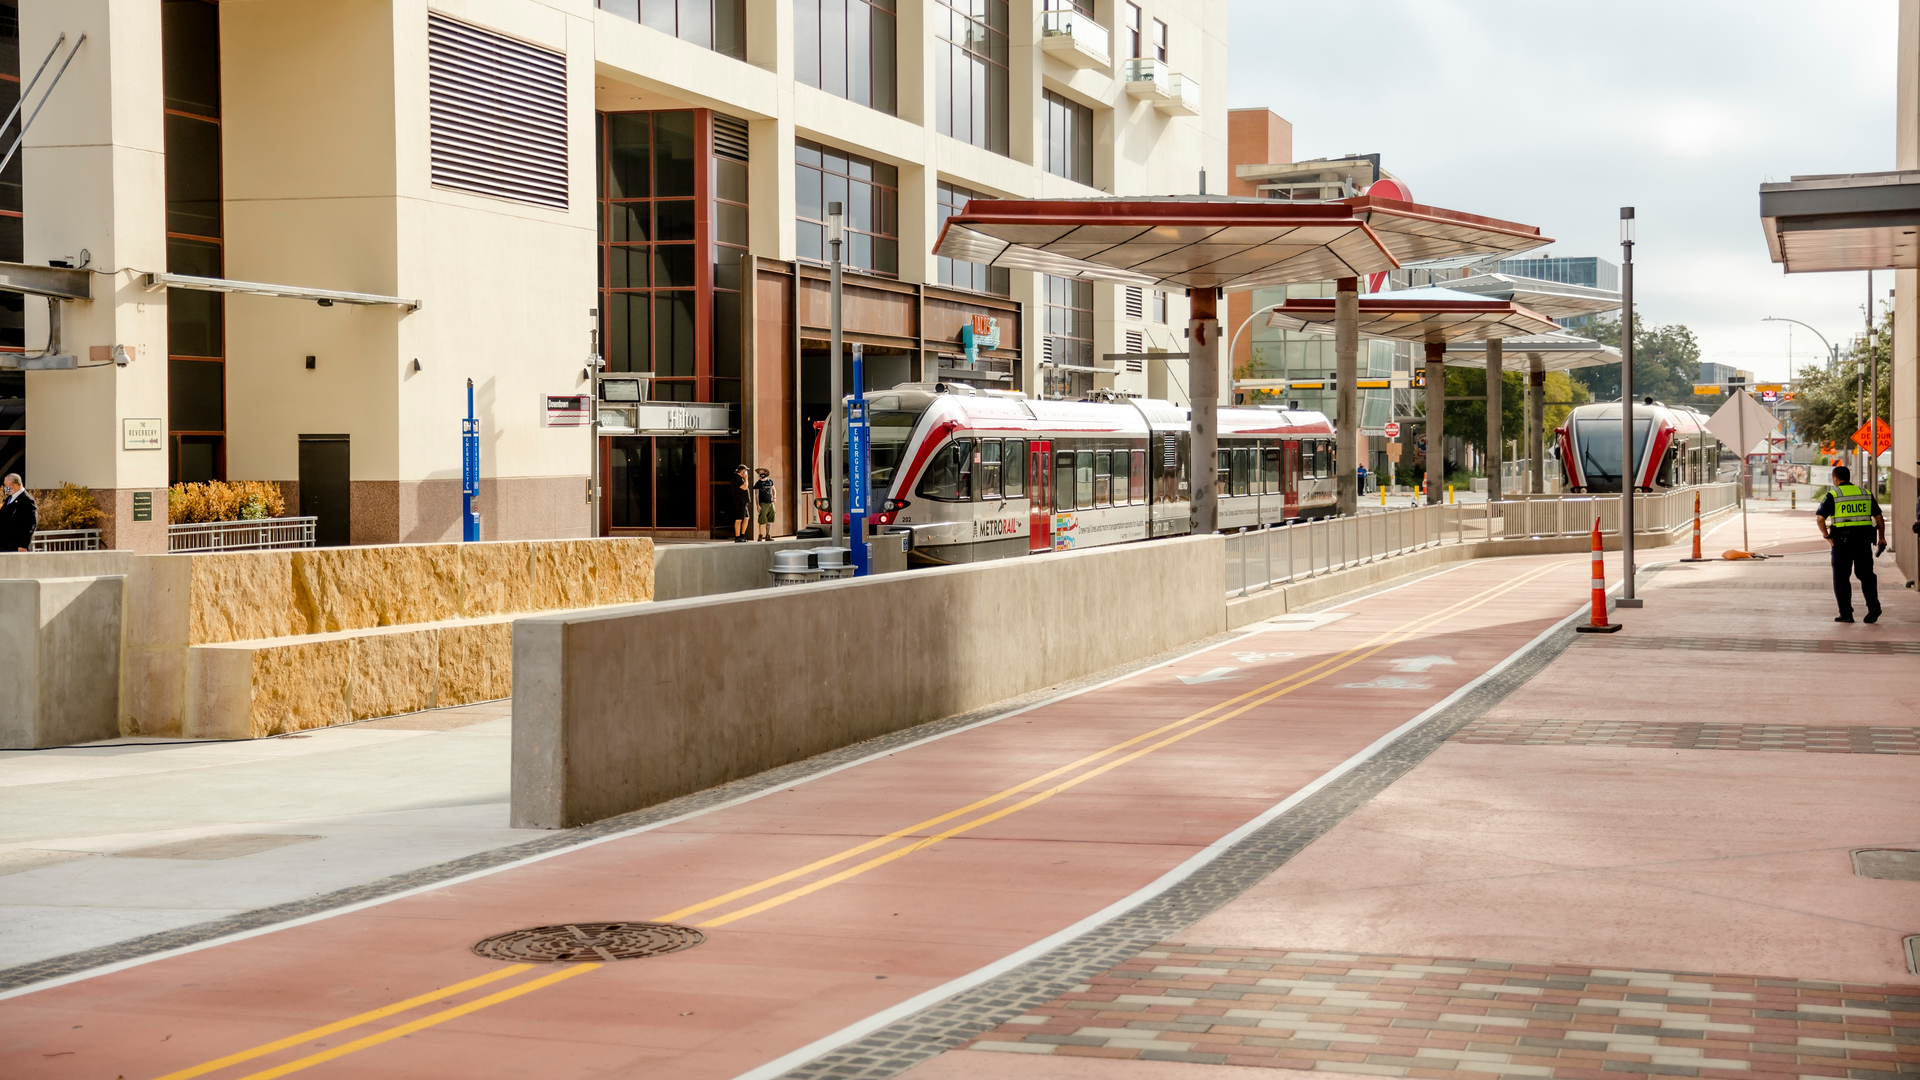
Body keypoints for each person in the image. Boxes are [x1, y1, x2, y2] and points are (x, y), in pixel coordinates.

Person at [1815, 464, 1884, 624]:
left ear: (1835, 479)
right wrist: (1881, 537)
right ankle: (1873, 606)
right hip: (1863, 541)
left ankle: (1846, 614)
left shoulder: (1833, 495)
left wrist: (1827, 536)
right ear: (1849, 477)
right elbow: (1879, 517)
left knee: (1841, 578)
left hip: (1842, 543)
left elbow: (1820, 518)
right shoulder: (1865, 493)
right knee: (1866, 575)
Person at [0, 473, 35, 552]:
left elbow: (30, 525)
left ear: (12, 485)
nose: (4, 488)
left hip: (15, 547)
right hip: (4, 545)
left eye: (5, 485)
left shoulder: (27, 500)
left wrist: (23, 545)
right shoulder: (10, 498)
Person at [731, 465, 752, 543]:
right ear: (741, 471)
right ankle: (737, 536)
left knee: (746, 518)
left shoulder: (741, 478)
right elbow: (744, 487)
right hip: (739, 501)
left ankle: (742, 535)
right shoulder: (736, 478)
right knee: (739, 519)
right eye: (745, 471)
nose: (746, 473)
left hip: (744, 501)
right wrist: (746, 478)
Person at [754, 467, 776, 542]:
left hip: (770, 502)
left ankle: (768, 535)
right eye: (759, 472)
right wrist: (758, 505)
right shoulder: (758, 483)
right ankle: (760, 535)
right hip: (763, 503)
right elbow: (756, 495)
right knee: (762, 520)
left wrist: (774, 497)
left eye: (762, 472)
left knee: (769, 519)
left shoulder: (770, 481)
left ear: (765, 473)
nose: (761, 473)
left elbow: (773, 489)